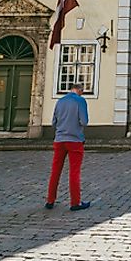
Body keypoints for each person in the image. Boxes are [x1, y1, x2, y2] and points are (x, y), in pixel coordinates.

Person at [46, 83, 90, 211]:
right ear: (80, 90)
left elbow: (54, 122)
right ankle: (75, 202)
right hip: (75, 140)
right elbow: (84, 121)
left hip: (59, 140)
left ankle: (50, 200)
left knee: (55, 171)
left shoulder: (60, 101)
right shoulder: (80, 101)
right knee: (74, 172)